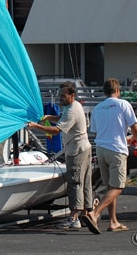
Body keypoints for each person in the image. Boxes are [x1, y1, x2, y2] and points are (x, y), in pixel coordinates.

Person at [28, 81, 98, 233]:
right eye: (60, 95)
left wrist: (36, 126)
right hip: (84, 148)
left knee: (75, 183)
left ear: (72, 96)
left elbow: (56, 130)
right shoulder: (74, 106)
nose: (60, 98)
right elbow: (62, 118)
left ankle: (73, 218)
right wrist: (50, 116)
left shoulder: (72, 110)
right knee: (85, 183)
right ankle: (86, 214)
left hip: (76, 151)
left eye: (63, 96)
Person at [85, 78, 137, 233]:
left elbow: (95, 130)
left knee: (110, 186)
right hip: (116, 149)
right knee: (117, 187)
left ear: (104, 92)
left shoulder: (97, 108)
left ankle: (113, 221)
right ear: (118, 90)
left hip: (101, 148)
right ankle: (94, 213)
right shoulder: (123, 104)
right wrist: (134, 139)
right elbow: (135, 128)